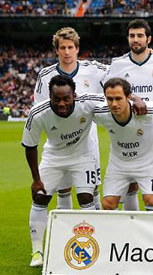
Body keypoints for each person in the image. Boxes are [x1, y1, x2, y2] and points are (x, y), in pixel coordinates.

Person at [23, 75, 104, 267]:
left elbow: (114, 96)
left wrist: (135, 99)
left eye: (66, 98)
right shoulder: (38, 113)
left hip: (82, 156)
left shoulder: (88, 102)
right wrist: (36, 179)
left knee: (86, 198)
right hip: (54, 157)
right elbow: (30, 146)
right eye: (56, 98)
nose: (61, 103)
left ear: (74, 95)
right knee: (40, 197)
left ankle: (92, 247)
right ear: (49, 96)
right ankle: (37, 251)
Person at [105, 19, 153, 211]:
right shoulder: (118, 64)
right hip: (127, 129)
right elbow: (107, 88)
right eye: (132, 36)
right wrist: (134, 98)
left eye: (139, 36)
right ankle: (132, 231)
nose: (135, 40)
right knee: (130, 184)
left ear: (148, 39)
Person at [34, 27, 108, 210]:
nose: (67, 52)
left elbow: (122, 71)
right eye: (63, 48)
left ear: (77, 48)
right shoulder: (45, 75)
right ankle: (65, 233)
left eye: (70, 47)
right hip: (59, 140)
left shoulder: (94, 69)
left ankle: (96, 233)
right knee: (62, 187)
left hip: (87, 139)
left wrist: (149, 53)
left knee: (92, 188)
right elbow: (39, 108)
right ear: (57, 50)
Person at [94, 77, 153, 212]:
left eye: (118, 98)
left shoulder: (148, 111)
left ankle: (152, 231)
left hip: (146, 164)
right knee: (108, 204)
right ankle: (119, 232)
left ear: (128, 97)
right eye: (109, 99)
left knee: (151, 200)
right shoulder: (100, 113)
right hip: (118, 165)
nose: (114, 104)